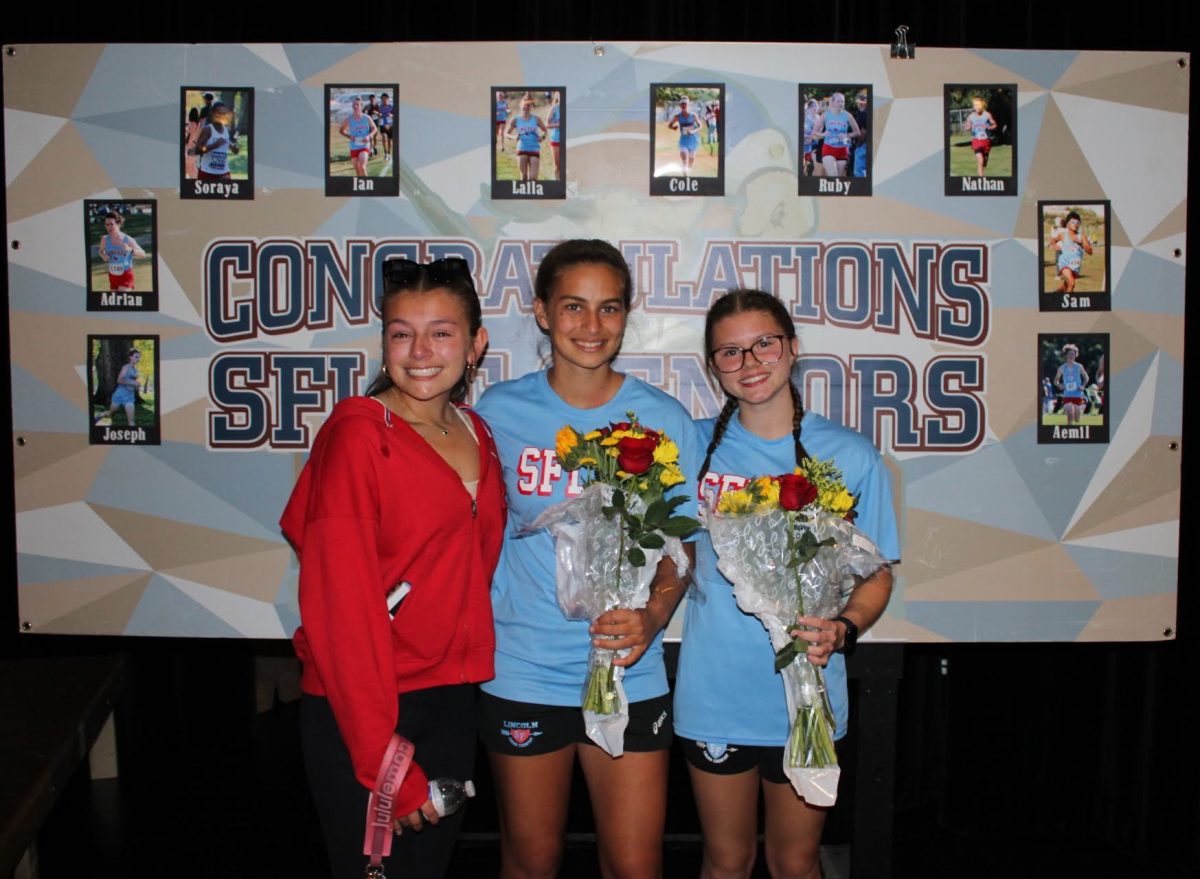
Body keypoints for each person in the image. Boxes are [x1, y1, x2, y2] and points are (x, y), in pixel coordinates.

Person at [474, 239, 701, 879]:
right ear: (542, 312)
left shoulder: (661, 417)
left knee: (634, 865)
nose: (592, 326)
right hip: (525, 668)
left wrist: (654, 616)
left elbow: (682, 540)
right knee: (532, 861)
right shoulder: (497, 413)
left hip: (631, 671)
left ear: (627, 315)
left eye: (609, 308)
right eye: (574, 306)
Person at [281, 257, 505, 879]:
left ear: (476, 342)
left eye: (442, 332)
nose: (420, 351)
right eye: (402, 333)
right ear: (384, 342)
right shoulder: (358, 435)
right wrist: (385, 759)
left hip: (452, 700)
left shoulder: (478, 432)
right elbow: (341, 614)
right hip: (369, 706)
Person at [675, 289, 898, 879]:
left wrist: (843, 627)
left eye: (764, 344)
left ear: (793, 348)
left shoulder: (848, 455)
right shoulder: (690, 446)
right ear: (712, 367)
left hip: (809, 700)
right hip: (716, 695)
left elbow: (876, 575)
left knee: (794, 863)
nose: (749, 363)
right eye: (730, 352)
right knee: (726, 861)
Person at [811, 92, 861, 178]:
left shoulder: (848, 116)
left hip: (843, 150)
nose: (841, 103)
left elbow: (857, 133)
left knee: (840, 180)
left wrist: (847, 135)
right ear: (833, 102)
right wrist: (823, 134)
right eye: (838, 101)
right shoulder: (826, 115)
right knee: (833, 177)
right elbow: (814, 132)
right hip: (828, 149)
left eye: (842, 101)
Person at [97, 210, 146, 293]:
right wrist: (103, 255)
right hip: (112, 274)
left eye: (111, 224)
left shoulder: (127, 239)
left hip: (125, 273)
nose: (109, 227)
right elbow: (101, 251)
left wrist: (131, 250)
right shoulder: (105, 239)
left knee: (123, 301)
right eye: (107, 225)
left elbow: (143, 254)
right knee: (114, 302)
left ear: (118, 224)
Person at [95, 347, 142, 426]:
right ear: (130, 357)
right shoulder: (126, 367)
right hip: (120, 394)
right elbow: (119, 380)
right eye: (136, 357)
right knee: (110, 414)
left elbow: (133, 384)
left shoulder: (135, 370)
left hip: (129, 396)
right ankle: (100, 416)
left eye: (139, 357)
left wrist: (137, 386)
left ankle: (134, 436)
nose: (138, 359)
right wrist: (132, 382)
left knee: (131, 420)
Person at [193, 101, 239, 182]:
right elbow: (198, 150)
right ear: (212, 114)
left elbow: (228, 144)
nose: (221, 115)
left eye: (224, 113)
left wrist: (234, 148)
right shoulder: (208, 129)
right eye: (219, 113)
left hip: (223, 173)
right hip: (207, 173)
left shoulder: (226, 130)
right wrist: (214, 145)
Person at [505, 98, 547, 182]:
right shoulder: (515, 120)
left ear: (531, 107)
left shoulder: (536, 119)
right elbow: (506, 133)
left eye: (529, 105)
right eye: (524, 105)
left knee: (533, 178)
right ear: (520, 106)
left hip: (534, 148)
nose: (526, 107)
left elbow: (545, 131)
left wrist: (542, 137)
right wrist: (514, 137)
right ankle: (524, 194)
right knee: (523, 177)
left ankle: (532, 193)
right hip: (522, 148)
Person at [1053, 211, 1094, 294]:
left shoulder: (1082, 236)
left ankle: (1052, 296)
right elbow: (1054, 240)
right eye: (1073, 222)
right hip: (1064, 263)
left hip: (1075, 266)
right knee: (1072, 283)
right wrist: (1055, 246)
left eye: (1078, 222)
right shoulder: (1063, 235)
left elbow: (1090, 251)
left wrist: (1080, 243)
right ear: (1068, 224)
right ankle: (1068, 304)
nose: (1075, 224)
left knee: (1066, 286)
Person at [340, 97, 377, 178]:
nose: (355, 106)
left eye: (357, 104)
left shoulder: (367, 118)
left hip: (364, 146)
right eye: (354, 104)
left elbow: (374, 128)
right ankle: (360, 188)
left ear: (361, 106)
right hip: (354, 147)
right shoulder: (348, 119)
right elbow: (341, 131)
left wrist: (369, 136)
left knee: (361, 166)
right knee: (357, 170)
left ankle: (367, 185)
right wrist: (350, 136)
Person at [1054, 342, 1090, 426]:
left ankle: (1081, 407)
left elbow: (1086, 378)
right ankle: (1068, 432)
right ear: (1066, 355)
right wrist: (1059, 385)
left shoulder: (1079, 366)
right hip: (1067, 395)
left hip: (1078, 394)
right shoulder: (1062, 368)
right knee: (1070, 415)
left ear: (1075, 356)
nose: (1071, 356)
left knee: (1077, 419)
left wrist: (1082, 386)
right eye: (1069, 354)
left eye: (1073, 354)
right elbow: (1055, 381)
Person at [667, 95, 702, 177]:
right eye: (682, 104)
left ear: (688, 104)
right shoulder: (677, 116)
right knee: (685, 161)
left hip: (693, 141)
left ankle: (687, 172)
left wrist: (693, 131)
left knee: (691, 161)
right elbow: (669, 125)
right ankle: (685, 179)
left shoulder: (693, 115)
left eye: (685, 104)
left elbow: (700, 126)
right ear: (680, 105)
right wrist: (673, 127)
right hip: (683, 141)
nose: (683, 105)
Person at [963, 96, 997, 176]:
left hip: (986, 141)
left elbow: (995, 125)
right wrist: (968, 128)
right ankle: (981, 180)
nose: (977, 107)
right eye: (975, 105)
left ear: (982, 105)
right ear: (973, 106)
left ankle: (981, 173)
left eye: (979, 105)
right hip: (976, 141)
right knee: (980, 160)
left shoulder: (987, 115)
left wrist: (989, 127)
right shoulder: (971, 116)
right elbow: (967, 127)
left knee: (984, 163)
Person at [850, 91, 869, 178]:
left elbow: (863, 132)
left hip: (863, 145)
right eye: (858, 102)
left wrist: (858, 145)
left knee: (859, 173)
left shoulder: (863, 114)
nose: (860, 104)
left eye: (862, 101)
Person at [802, 98, 822, 177]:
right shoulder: (805, 117)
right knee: (805, 167)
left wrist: (813, 136)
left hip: (815, 146)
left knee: (815, 167)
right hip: (805, 146)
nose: (815, 108)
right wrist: (807, 136)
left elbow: (821, 133)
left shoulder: (819, 118)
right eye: (813, 106)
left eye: (816, 106)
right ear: (809, 108)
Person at [546, 92, 563, 181]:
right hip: (556, 139)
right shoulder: (554, 108)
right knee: (558, 165)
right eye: (560, 94)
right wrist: (558, 125)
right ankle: (557, 185)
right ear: (557, 96)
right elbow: (547, 124)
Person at [184, 106, 202, 178]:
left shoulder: (192, 124)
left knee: (189, 166)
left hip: (190, 146)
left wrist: (188, 146)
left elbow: (191, 136)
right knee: (193, 166)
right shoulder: (198, 124)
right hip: (195, 146)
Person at [378, 92, 395, 162]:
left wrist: (391, 115)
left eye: (384, 99)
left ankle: (389, 154)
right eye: (382, 99)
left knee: (389, 141)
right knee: (384, 137)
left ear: (387, 99)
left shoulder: (391, 107)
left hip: (390, 125)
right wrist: (379, 115)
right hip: (383, 125)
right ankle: (385, 154)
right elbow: (378, 114)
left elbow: (395, 115)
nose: (383, 100)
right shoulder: (380, 107)